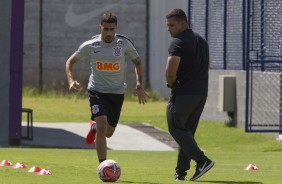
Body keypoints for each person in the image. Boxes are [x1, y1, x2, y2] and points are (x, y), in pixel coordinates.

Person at [66, 12, 147, 164]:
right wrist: (71, 81)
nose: (109, 33)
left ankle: (94, 128)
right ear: (100, 28)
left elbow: (138, 62)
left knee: (108, 133)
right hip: (96, 91)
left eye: (112, 29)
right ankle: (103, 166)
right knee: (102, 125)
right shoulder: (91, 45)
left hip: (117, 93)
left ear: (116, 28)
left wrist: (139, 84)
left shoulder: (124, 44)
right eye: (106, 29)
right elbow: (70, 62)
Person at [165, 8, 214, 181]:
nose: (169, 29)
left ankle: (202, 161)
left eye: (172, 25)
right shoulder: (201, 40)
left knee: (175, 126)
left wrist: (170, 83)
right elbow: (208, 64)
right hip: (201, 92)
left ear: (183, 23)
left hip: (184, 92)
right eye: (167, 25)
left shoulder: (178, 42)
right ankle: (181, 172)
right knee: (186, 132)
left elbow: (170, 70)